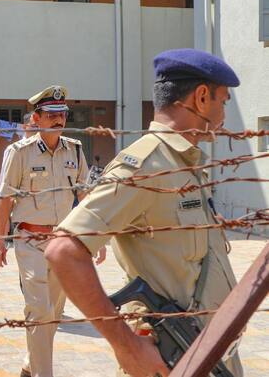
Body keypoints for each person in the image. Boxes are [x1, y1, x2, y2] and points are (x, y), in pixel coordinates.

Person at [45, 49, 244, 377]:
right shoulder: (147, 166)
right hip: (174, 358)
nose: (224, 115)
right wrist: (126, 345)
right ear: (202, 97)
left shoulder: (185, 163)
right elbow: (63, 250)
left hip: (212, 354)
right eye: (224, 101)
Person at [0, 86, 95, 377]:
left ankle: (30, 363)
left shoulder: (74, 149)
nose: (58, 119)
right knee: (39, 310)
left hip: (63, 242)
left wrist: (93, 239)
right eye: (51, 115)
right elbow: (6, 200)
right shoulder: (19, 152)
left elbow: (86, 196)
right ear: (36, 118)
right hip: (30, 240)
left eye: (62, 114)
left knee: (55, 313)